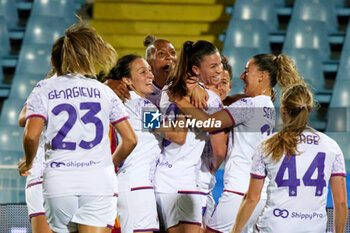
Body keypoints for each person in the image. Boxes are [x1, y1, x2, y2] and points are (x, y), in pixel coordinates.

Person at [18, 22, 137, 233]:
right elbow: (131, 140)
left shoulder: (44, 89)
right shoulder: (105, 91)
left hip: (59, 181)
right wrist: (107, 164)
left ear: (53, 61)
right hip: (100, 180)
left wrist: (28, 162)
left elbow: (30, 135)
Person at [172, 54, 304, 233]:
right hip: (256, 193)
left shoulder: (248, 105)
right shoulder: (266, 106)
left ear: (262, 76)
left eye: (247, 71)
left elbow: (209, 125)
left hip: (237, 192)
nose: (242, 76)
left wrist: (178, 98)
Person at [231, 84, 348, 233]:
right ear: (309, 110)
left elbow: (252, 198)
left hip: (274, 226)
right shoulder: (332, 147)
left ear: (283, 109)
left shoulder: (266, 145)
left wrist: (235, 231)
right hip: (313, 229)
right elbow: (341, 202)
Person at [106, 54, 186, 233]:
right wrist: (184, 104)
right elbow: (177, 136)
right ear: (127, 80)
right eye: (143, 72)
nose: (150, 75)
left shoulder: (133, 103)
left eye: (149, 70)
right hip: (137, 186)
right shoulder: (139, 105)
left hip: (137, 186)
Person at [155, 40, 227, 233]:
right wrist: (212, 168)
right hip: (184, 180)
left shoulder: (166, 90)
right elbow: (219, 149)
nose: (220, 70)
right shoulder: (208, 98)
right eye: (213, 66)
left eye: (219, 64)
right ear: (196, 69)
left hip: (160, 176)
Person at [106, 35, 177, 107]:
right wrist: (108, 84)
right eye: (161, 53)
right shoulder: (135, 89)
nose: (170, 57)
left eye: (173, 53)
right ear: (149, 63)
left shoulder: (185, 84)